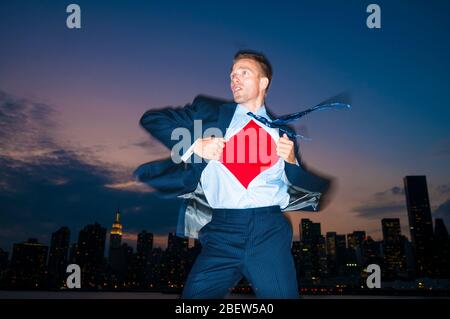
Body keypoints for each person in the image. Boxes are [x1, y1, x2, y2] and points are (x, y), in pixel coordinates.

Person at [134, 50, 333, 299]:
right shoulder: (208, 114)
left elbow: (300, 189)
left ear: (263, 83)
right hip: (220, 232)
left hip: (268, 231)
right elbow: (153, 119)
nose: (234, 79)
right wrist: (196, 146)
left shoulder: (284, 133)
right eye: (232, 75)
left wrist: (292, 162)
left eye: (243, 73)